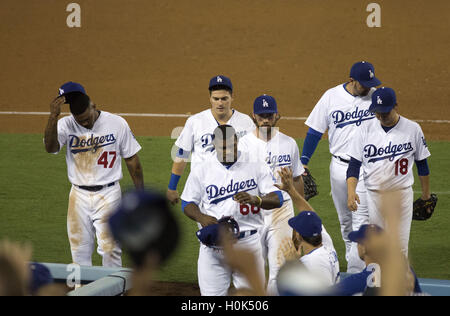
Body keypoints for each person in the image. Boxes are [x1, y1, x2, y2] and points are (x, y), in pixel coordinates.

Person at [44, 82, 144, 267]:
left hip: (109, 194)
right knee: (79, 250)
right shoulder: (65, 124)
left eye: (87, 119)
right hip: (78, 196)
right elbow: (50, 148)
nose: (85, 124)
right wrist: (52, 117)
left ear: (94, 106)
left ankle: (114, 292)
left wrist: (140, 194)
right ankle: (81, 292)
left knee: (111, 248)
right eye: (80, 121)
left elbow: (132, 160)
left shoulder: (116, 123)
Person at [180, 125, 283, 296]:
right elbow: (187, 202)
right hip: (213, 247)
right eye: (223, 147)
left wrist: (256, 199)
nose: (228, 151)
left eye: (232, 146)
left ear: (237, 142)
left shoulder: (255, 164)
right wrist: (201, 217)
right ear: (214, 145)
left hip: (248, 244)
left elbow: (277, 198)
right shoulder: (202, 169)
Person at [300, 61, 382, 273]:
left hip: (367, 169)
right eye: (364, 83)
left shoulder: (375, 96)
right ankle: (353, 262)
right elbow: (315, 132)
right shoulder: (331, 97)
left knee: (361, 220)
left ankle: (359, 269)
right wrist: (304, 162)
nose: (368, 87)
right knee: (345, 221)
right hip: (339, 167)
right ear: (351, 80)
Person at [346, 87, 431, 256]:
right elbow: (354, 165)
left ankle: (400, 282)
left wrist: (426, 195)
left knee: (399, 247)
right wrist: (351, 191)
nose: (381, 116)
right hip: (373, 195)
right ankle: (377, 281)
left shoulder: (413, 129)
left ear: (396, 106)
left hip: (401, 195)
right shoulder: (364, 129)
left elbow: (422, 164)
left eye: (385, 112)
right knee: (377, 245)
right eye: (377, 112)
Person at [239, 94, 304, 295]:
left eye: (269, 115)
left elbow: (297, 180)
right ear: (253, 116)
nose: (265, 120)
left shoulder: (289, 143)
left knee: (280, 271)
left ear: (277, 115)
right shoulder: (242, 145)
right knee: (249, 274)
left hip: (282, 212)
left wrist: (300, 218)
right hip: (252, 212)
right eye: (261, 116)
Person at [166, 75, 255, 205]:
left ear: (232, 97)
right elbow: (182, 155)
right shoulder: (195, 122)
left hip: (236, 187)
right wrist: (172, 187)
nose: (220, 103)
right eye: (216, 99)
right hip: (205, 189)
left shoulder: (245, 121)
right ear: (210, 99)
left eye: (224, 99)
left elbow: (255, 153)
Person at [275, 167, 340, 286]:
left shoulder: (309, 263)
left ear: (299, 236)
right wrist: (291, 190)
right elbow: (311, 212)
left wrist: (293, 265)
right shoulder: (326, 244)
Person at [333, 224, 422, 296]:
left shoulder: (357, 281)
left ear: (364, 249)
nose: (357, 245)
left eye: (358, 243)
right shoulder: (407, 272)